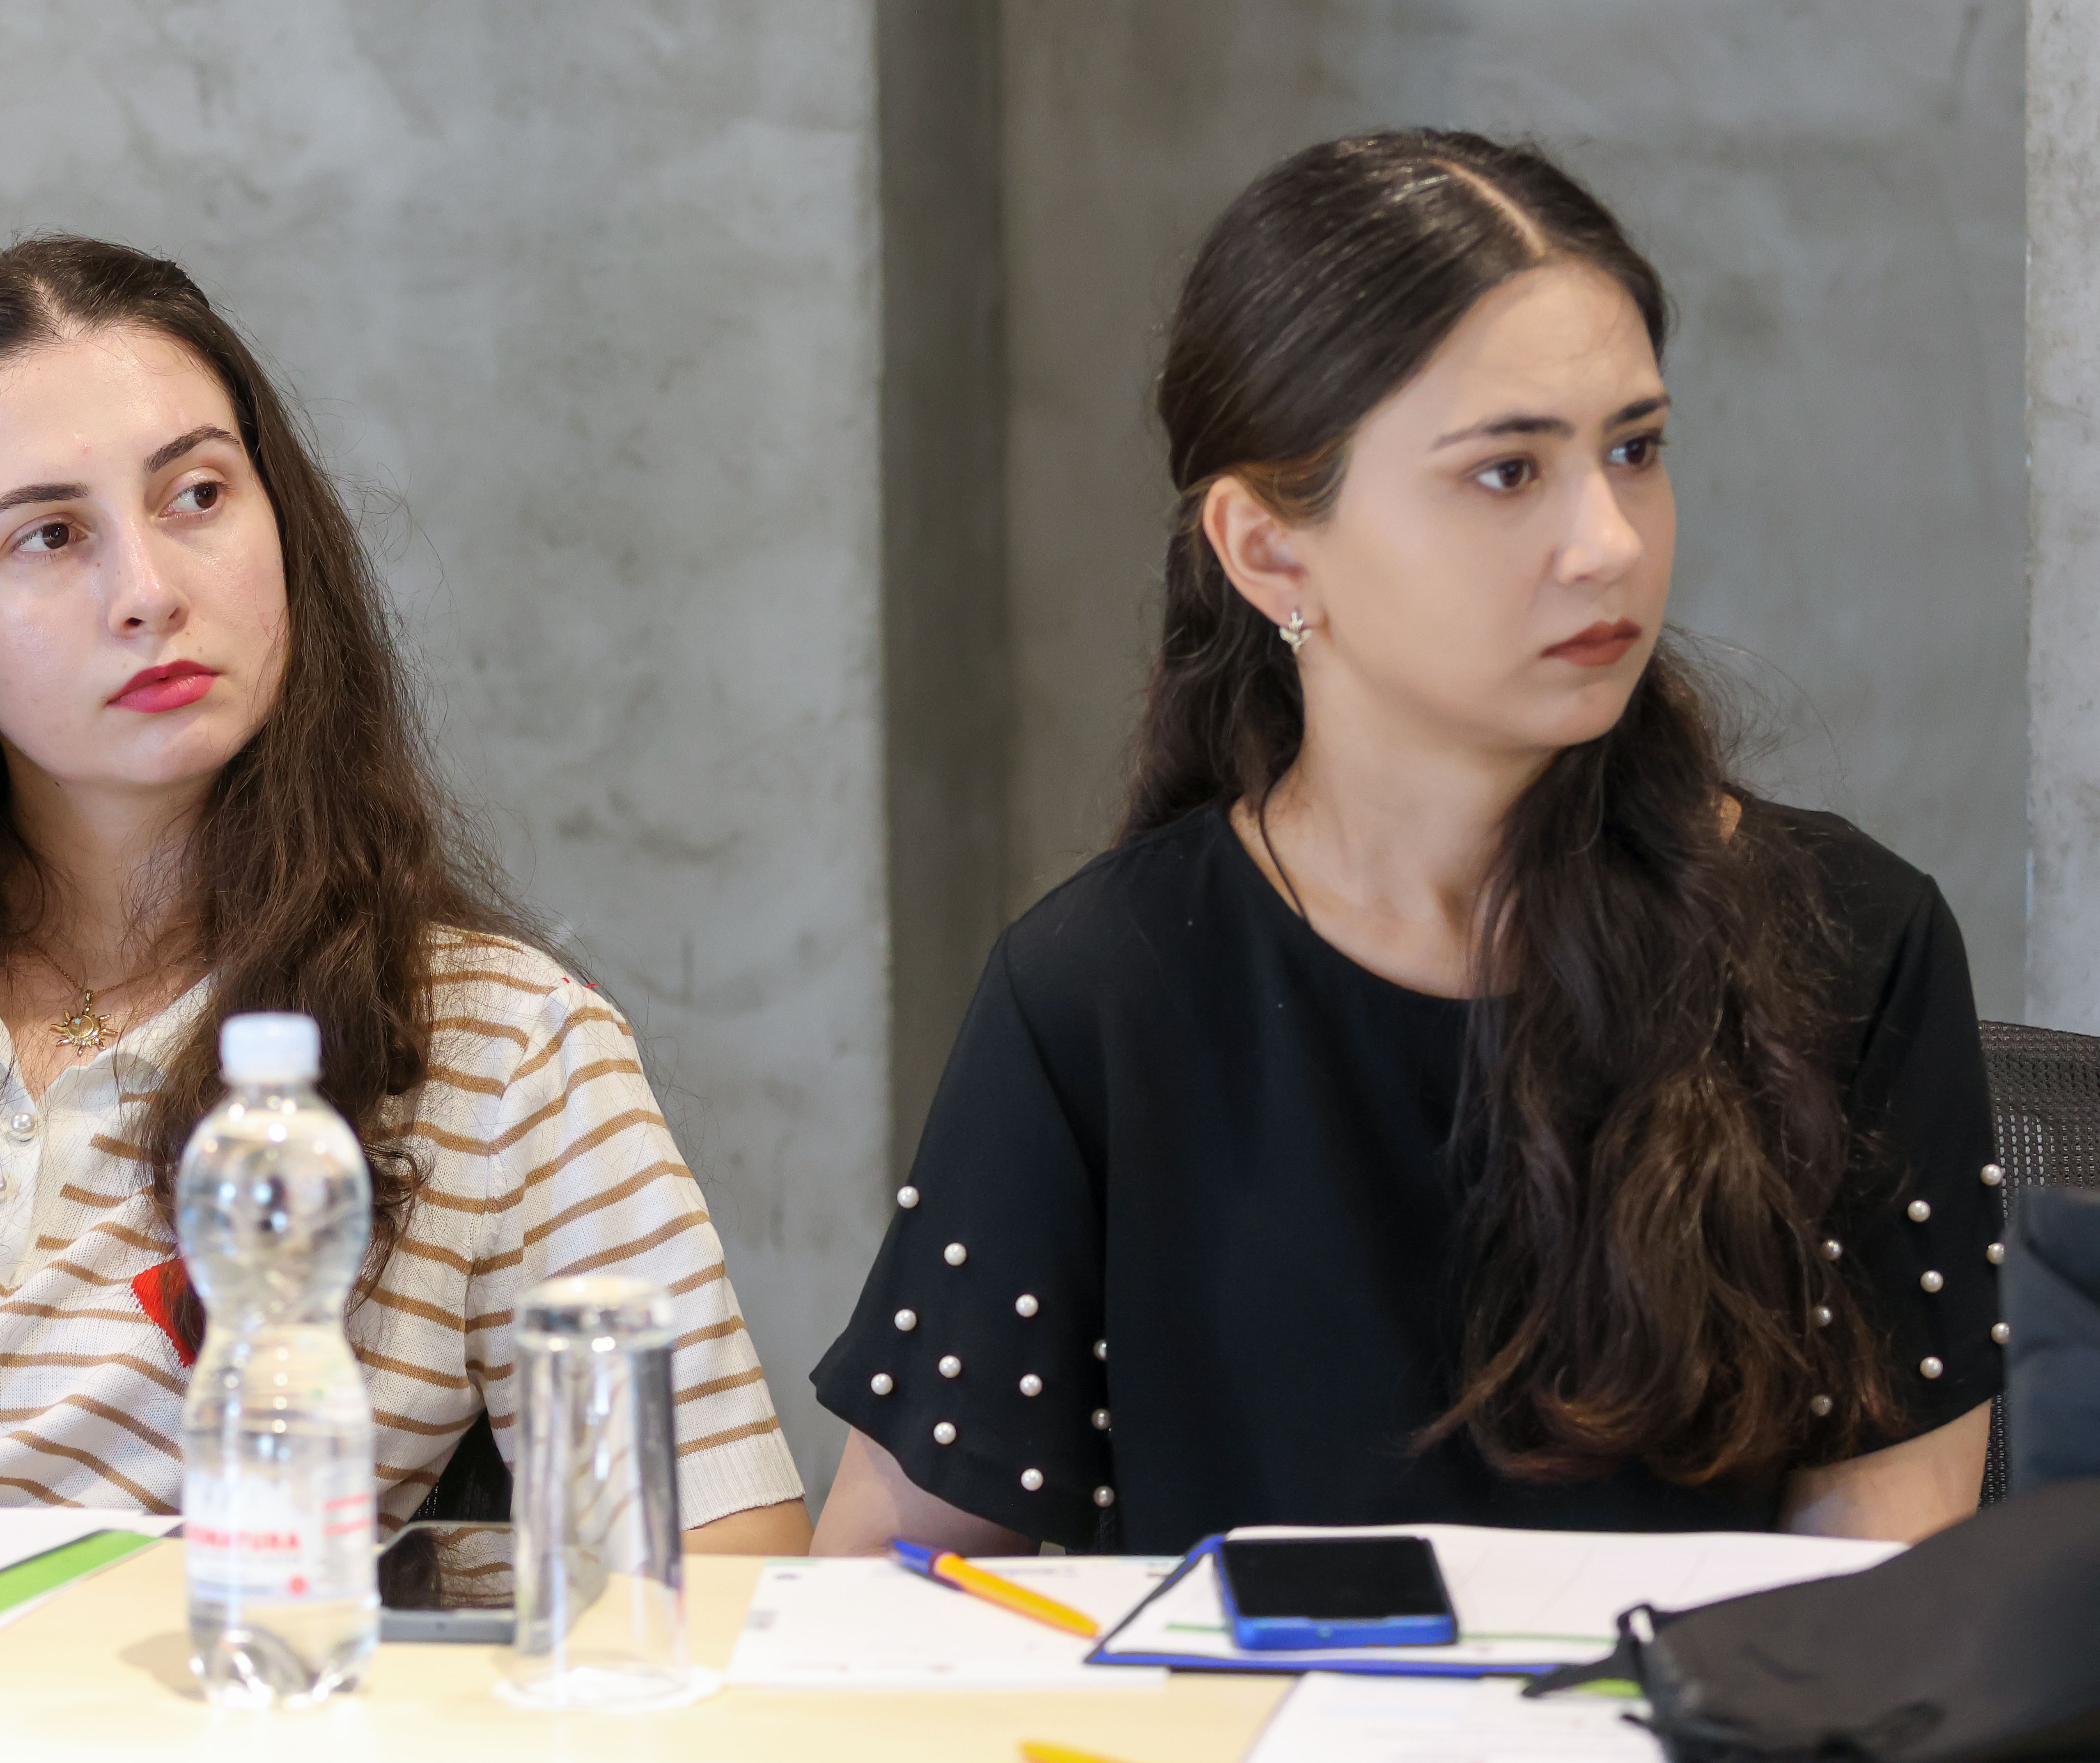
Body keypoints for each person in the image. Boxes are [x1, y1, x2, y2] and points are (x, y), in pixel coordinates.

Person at [0, 237, 811, 1559]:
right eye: (51, 535)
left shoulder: (506, 1046)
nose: (150, 593)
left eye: (198, 496)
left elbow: (724, 1566)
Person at [810, 131, 2001, 1556]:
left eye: (1635, 450)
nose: (1611, 543)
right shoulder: (1097, 993)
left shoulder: (1851, 943)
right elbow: (903, 1587)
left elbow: (1887, 1592)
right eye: (1507, 473)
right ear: (1268, 550)